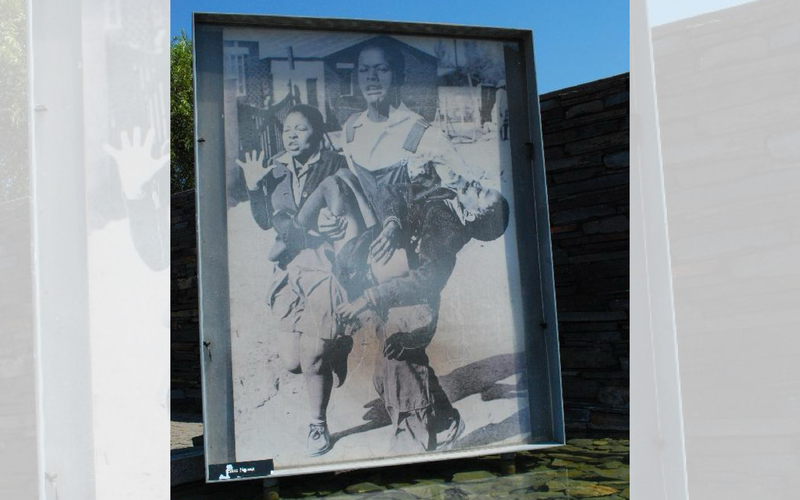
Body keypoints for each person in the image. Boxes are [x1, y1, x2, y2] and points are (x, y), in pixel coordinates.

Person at [333, 177, 512, 453]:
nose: (475, 183)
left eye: (480, 192)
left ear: (474, 214)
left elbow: (427, 280)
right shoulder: (444, 195)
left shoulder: (448, 232)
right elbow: (392, 189)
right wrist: (393, 220)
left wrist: (369, 298)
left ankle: (409, 454)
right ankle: (444, 423)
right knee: (387, 377)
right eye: (481, 185)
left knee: (402, 378)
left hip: (414, 313)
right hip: (396, 296)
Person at [237, 104, 349, 457]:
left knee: (313, 355)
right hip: (286, 269)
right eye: (287, 129)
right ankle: (336, 346)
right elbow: (266, 222)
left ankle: (317, 424)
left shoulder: (335, 166)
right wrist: (255, 187)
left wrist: (330, 226)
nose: (292, 135)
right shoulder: (277, 170)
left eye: (300, 128)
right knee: (292, 361)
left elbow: (344, 216)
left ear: (316, 131)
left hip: (323, 267)